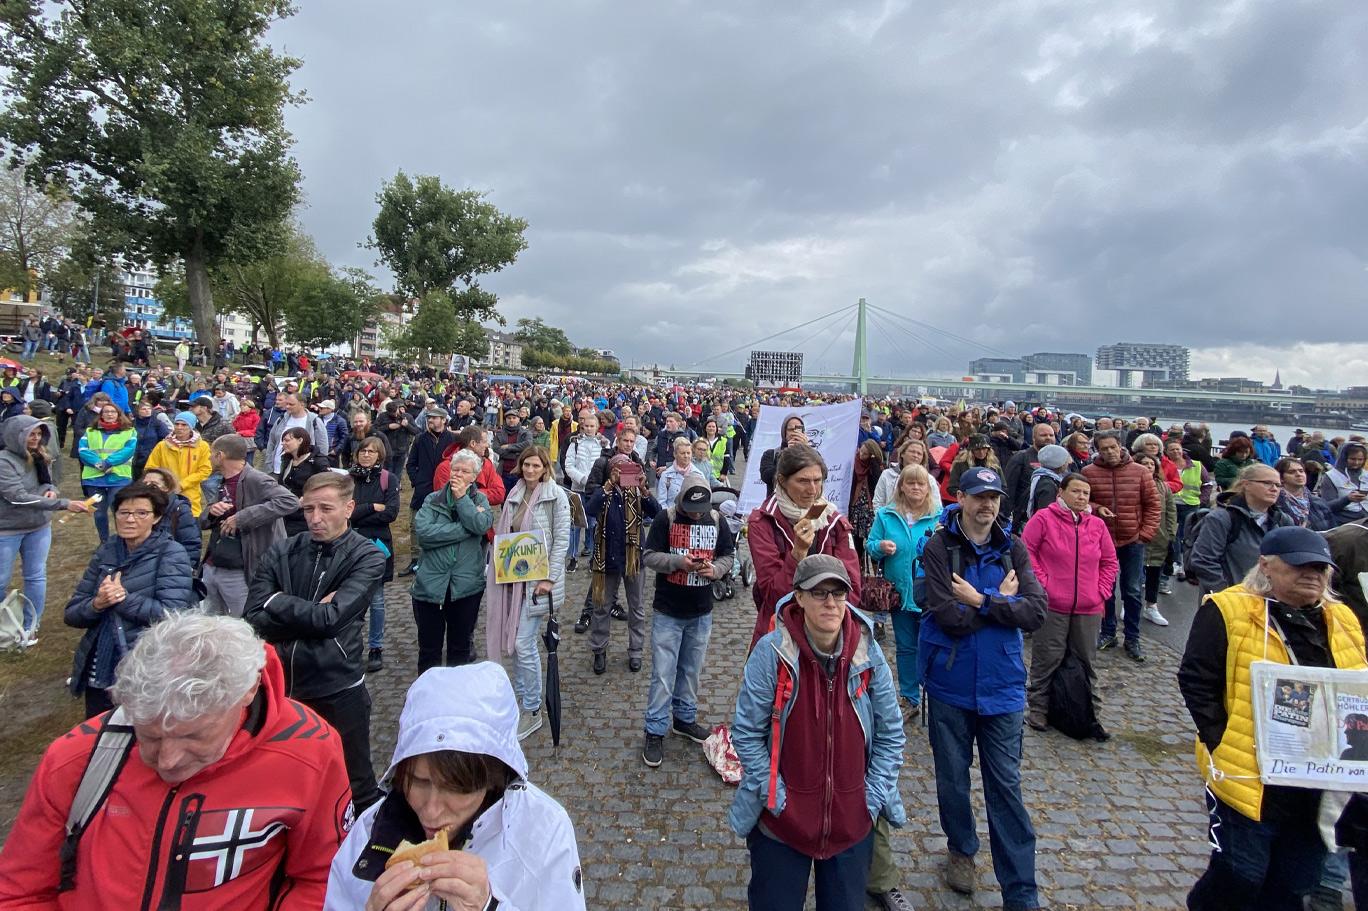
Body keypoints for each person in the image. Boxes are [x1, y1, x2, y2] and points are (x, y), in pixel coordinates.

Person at [0, 612, 352, 908]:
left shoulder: (310, 752)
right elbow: (20, 891)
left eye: (193, 737)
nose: (167, 761)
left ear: (246, 692)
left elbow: (322, 877)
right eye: (149, 737)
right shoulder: (76, 756)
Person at [1179, 527, 1368, 910]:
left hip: (1318, 781)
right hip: (1250, 774)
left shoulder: (1342, 617)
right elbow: (1197, 680)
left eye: (1321, 568)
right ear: (1266, 565)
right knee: (1239, 874)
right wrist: (1222, 739)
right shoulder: (1227, 610)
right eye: (1300, 566)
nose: (1312, 575)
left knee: (1294, 882)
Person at [322, 662, 586, 910]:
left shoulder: (545, 830)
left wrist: (489, 906)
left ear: (493, 779)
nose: (432, 811)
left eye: (457, 788)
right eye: (418, 781)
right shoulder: (370, 833)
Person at [728, 554, 905, 911]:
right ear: (799, 597)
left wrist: (869, 800)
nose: (830, 603)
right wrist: (774, 795)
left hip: (851, 823)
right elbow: (746, 733)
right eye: (819, 592)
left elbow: (891, 735)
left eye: (838, 593)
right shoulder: (771, 653)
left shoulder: (868, 654)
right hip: (783, 824)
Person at [919, 467, 1046, 910]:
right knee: (953, 779)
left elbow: (1036, 612)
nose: (986, 505)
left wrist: (980, 600)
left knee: (1006, 787)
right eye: (978, 496)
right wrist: (1002, 602)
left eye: (994, 497)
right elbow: (946, 617)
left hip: (1004, 686)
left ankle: (1021, 891)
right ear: (961, 498)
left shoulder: (1012, 547)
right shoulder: (939, 547)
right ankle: (961, 849)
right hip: (950, 684)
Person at [244, 471, 388, 812]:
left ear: (349, 508)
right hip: (280, 685)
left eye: (325, 508)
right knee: (285, 780)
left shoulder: (366, 556)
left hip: (335, 683)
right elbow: (251, 619)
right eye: (308, 509)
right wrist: (307, 612)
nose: (315, 518)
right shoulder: (283, 550)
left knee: (355, 781)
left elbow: (332, 619)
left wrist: (276, 601)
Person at [64, 483, 194, 717]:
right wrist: (97, 604)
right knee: (98, 732)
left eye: (141, 513)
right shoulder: (107, 550)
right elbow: (72, 613)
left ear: (156, 518)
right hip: (99, 664)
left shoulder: (171, 553)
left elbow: (172, 614)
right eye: (124, 513)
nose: (131, 519)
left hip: (145, 665)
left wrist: (122, 599)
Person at [640, 475, 736, 767]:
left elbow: (728, 555)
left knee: (691, 671)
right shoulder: (665, 519)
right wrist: (677, 562)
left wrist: (716, 570)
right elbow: (649, 556)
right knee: (663, 674)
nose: (696, 514)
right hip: (668, 610)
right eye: (692, 509)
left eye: (701, 509)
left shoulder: (716, 520)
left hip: (701, 611)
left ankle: (684, 718)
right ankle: (655, 729)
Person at [1021, 472, 1117, 737]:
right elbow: (1026, 552)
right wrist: (1043, 584)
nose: (1081, 497)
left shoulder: (1096, 525)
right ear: (1060, 492)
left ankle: (1091, 713)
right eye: (1076, 491)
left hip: (1088, 606)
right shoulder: (1043, 519)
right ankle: (1038, 708)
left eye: (1086, 493)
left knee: (1087, 662)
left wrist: (1102, 591)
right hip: (1052, 605)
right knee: (1046, 659)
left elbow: (1109, 561)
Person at [485, 446, 569, 741]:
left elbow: (561, 541)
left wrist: (550, 578)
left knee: (522, 643)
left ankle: (532, 708)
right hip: (513, 580)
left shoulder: (555, 496)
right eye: (526, 465)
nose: (530, 470)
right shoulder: (515, 493)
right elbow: (505, 535)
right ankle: (521, 700)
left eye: (536, 465)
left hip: (538, 583)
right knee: (517, 643)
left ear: (545, 468)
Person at [748, 444, 862, 649]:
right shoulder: (763, 522)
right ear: (782, 481)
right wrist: (798, 553)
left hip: (830, 634)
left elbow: (853, 587)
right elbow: (773, 594)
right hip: (781, 632)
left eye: (817, 481)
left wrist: (827, 621)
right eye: (803, 481)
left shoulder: (835, 521)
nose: (812, 490)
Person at [0, 415, 91, 640]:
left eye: (39, 434)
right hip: (7, 529)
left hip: (38, 526)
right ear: (16, 436)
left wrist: (52, 490)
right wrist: (63, 503)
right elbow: (17, 497)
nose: (35, 438)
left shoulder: (40, 455)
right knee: (1, 579)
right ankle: (4, 624)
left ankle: (32, 624)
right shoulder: (4, 462)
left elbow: (48, 483)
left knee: (35, 575)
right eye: (31, 434)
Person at [865, 461, 939, 729]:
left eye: (921, 483)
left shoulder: (938, 516)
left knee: (932, 646)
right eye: (911, 483)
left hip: (931, 594)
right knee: (906, 648)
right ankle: (910, 698)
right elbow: (870, 546)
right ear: (902, 486)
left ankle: (937, 695)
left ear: (928, 487)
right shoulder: (886, 515)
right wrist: (880, 546)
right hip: (899, 593)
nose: (916, 487)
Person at [411, 450, 494, 672]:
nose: (458, 474)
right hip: (430, 586)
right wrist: (464, 530)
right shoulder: (432, 499)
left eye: (465, 471)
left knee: (460, 649)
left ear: (474, 476)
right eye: (455, 469)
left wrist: (462, 500)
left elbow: (480, 525)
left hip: (466, 588)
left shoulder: (480, 500)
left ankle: (456, 699)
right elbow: (424, 534)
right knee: (429, 650)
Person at [201, 433, 297, 618]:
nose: (209, 458)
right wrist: (212, 511)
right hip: (213, 563)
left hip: (240, 569)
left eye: (212, 454)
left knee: (243, 625)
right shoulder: (223, 480)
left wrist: (243, 517)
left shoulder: (256, 479)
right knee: (210, 626)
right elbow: (204, 520)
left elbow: (289, 501)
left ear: (220, 455)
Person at [1083, 431, 1159, 662]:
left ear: (1120, 446)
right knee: (1105, 589)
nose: (1109, 452)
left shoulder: (1140, 472)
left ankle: (1132, 637)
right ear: (1098, 450)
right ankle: (1107, 632)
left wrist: (1144, 535)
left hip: (1132, 539)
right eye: (1104, 449)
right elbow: (1083, 499)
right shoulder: (1089, 473)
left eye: (1112, 447)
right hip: (1102, 539)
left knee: (1133, 590)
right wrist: (1097, 509)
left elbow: (1153, 505)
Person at [585, 453, 660, 674]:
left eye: (627, 468)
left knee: (636, 608)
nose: (623, 472)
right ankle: (599, 650)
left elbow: (657, 513)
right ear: (611, 470)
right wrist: (609, 484)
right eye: (619, 468)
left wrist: (645, 489)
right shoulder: (604, 491)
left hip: (634, 558)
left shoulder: (636, 491)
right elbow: (590, 509)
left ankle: (636, 651)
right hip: (607, 557)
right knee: (602, 607)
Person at [1189, 463, 1294, 595]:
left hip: (1270, 602)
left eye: (1278, 485)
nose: (1274, 489)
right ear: (1246, 484)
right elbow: (1203, 560)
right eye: (1267, 483)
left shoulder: (1284, 521)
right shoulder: (1222, 518)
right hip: (1230, 602)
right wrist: (1227, 594)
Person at [348, 435, 398, 673]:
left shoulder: (388, 479)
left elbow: (390, 513)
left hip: (377, 543)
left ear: (380, 455)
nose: (366, 455)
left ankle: (375, 647)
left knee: (377, 600)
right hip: (350, 544)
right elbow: (345, 513)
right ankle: (350, 645)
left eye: (371, 452)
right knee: (350, 599)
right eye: (363, 451)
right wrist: (369, 507)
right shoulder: (348, 480)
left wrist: (358, 513)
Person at [402, 408, 458, 576]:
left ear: (443, 420)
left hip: (445, 490)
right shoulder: (420, 439)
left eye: (434, 418)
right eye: (429, 418)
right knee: (416, 524)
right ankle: (415, 560)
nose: (430, 421)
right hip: (423, 489)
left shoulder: (452, 439)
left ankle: (440, 560)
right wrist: (417, 480)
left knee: (443, 524)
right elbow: (411, 464)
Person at [75, 401, 136, 542]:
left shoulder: (129, 431)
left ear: (118, 414)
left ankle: (123, 541)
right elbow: (83, 450)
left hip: (119, 478)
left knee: (120, 512)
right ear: (101, 415)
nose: (109, 414)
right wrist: (99, 464)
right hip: (94, 479)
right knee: (99, 513)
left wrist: (108, 463)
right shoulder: (90, 431)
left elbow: (128, 451)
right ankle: (104, 542)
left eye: (113, 412)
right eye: (106, 412)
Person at [143, 411, 213, 515]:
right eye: (177, 424)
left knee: (189, 525)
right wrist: (165, 485)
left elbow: (205, 470)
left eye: (184, 425)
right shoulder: (162, 446)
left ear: (191, 427)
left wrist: (182, 485)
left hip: (190, 496)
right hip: (164, 493)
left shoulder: (202, 446)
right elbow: (150, 468)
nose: (179, 427)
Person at [1136, 452, 1177, 627]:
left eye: (1151, 464)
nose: (1148, 466)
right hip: (1137, 534)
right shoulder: (1133, 484)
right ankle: (1130, 603)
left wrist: (1171, 533)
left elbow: (1171, 511)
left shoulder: (1163, 486)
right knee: (1134, 573)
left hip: (1159, 535)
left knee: (1154, 573)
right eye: (1144, 463)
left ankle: (1151, 606)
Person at [139, 466, 203, 570]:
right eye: (145, 483)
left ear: (167, 487)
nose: (147, 487)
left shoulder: (180, 510)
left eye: (154, 484)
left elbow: (191, 544)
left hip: (171, 569)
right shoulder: (136, 510)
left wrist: (183, 569)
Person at [274, 427, 332, 537]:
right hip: (286, 511)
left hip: (305, 515)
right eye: (283, 440)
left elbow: (328, 484)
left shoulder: (318, 461)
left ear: (300, 440)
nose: (283, 444)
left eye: (287, 440)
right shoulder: (287, 460)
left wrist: (308, 498)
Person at [873, 437, 943, 515]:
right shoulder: (887, 474)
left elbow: (937, 506)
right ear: (902, 453)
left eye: (919, 453)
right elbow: (878, 502)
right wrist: (882, 520)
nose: (915, 455)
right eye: (912, 452)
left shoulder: (929, 479)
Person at [1275, 456, 1335, 530]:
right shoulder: (1275, 504)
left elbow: (1332, 528)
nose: (1299, 474)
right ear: (1281, 478)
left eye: (1301, 471)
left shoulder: (1318, 502)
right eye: (1291, 472)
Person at [1317, 440, 1368, 526]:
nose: (1357, 462)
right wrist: (1347, 499)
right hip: (1344, 521)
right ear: (1344, 458)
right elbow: (1327, 507)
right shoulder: (1331, 477)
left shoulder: (1366, 475)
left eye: (1360, 459)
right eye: (1352, 459)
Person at [849, 439, 884, 561]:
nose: (861, 455)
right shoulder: (854, 463)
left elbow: (876, 481)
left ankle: (874, 564)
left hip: (869, 507)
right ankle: (858, 563)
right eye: (861, 452)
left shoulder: (875, 465)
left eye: (865, 453)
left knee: (872, 536)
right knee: (856, 537)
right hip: (856, 505)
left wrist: (874, 461)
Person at [759, 413, 807, 498]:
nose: (794, 433)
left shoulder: (812, 454)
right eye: (791, 429)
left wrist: (806, 451)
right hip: (777, 504)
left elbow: (822, 475)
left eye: (798, 429)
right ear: (784, 432)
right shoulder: (770, 454)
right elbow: (766, 477)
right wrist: (788, 454)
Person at [655, 435, 706, 505]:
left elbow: (702, 501)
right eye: (682, 453)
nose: (686, 456)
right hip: (672, 513)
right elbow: (661, 502)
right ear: (675, 454)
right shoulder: (666, 476)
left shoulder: (699, 475)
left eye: (688, 453)